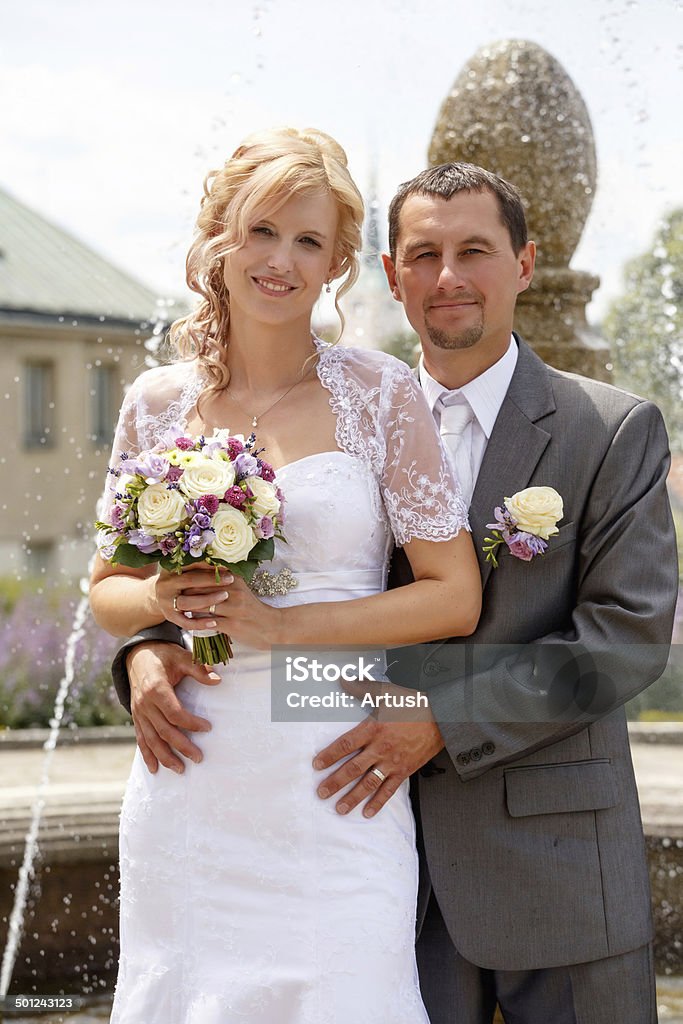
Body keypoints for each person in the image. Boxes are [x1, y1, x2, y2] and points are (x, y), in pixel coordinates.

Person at [115, 160, 678, 1024]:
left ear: (524, 264)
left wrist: (444, 717)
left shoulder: (608, 428)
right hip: (358, 829)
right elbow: (275, 626)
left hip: (549, 862)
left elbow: (623, 642)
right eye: (422, 254)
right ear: (388, 272)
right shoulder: (354, 401)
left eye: (474, 252)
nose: (446, 278)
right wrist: (152, 645)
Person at [90, 128, 481, 1023]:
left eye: (309, 241)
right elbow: (107, 587)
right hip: (192, 765)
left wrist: (282, 630)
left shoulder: (382, 395)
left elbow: (454, 596)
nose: (281, 260)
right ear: (217, 236)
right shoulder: (157, 401)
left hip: (332, 757)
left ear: (337, 263)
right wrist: (156, 610)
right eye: (263, 230)